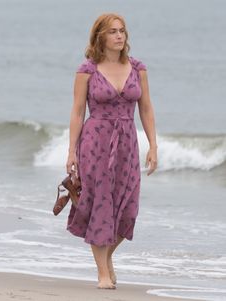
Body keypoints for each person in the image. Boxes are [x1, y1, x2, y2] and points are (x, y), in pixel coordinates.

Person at [66, 13, 158, 289]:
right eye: (113, 32)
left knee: (128, 208)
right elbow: (78, 111)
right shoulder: (87, 71)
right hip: (95, 142)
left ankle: (107, 261)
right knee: (100, 204)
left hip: (128, 141)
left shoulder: (138, 68)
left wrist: (153, 144)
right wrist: (71, 151)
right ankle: (102, 273)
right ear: (100, 37)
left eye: (122, 31)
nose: (120, 36)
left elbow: (146, 108)